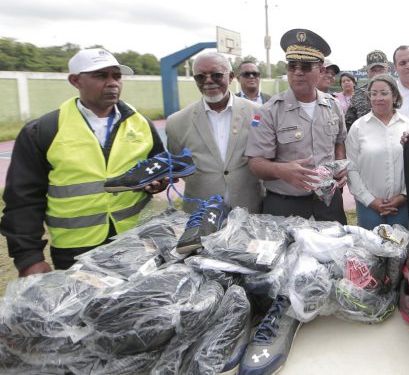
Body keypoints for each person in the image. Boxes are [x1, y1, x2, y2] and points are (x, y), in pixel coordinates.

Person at [0, 48, 166, 275]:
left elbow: (157, 169)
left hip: (137, 242)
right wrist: (29, 258)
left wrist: (158, 181)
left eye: (116, 76)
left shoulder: (142, 124)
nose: (112, 83)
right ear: (75, 80)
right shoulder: (44, 130)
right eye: (101, 76)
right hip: (76, 250)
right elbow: (23, 200)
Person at [247, 29, 348, 223]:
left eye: (306, 67)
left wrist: (340, 166)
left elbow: (339, 141)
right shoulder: (269, 111)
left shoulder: (333, 105)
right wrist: (281, 171)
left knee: (335, 252)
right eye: (292, 66)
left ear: (321, 70)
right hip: (285, 206)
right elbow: (255, 164)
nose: (298, 72)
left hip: (328, 202)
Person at [165, 52, 264, 213]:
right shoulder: (176, 122)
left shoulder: (258, 113)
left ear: (230, 77)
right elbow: (179, 167)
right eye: (200, 77)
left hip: (249, 211)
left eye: (216, 75)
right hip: (200, 216)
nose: (208, 81)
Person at [346, 74, 409, 230]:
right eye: (373, 93)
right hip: (368, 207)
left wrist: (404, 195)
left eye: (384, 93)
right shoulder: (358, 128)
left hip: (401, 206)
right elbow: (351, 168)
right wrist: (370, 200)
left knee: (402, 249)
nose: (378, 98)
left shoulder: (408, 126)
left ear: (394, 95)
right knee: (371, 251)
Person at [345, 50, 389, 130]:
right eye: (373, 70)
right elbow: (349, 124)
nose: (377, 74)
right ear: (367, 72)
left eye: (381, 69)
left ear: (388, 70)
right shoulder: (358, 94)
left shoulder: (397, 92)